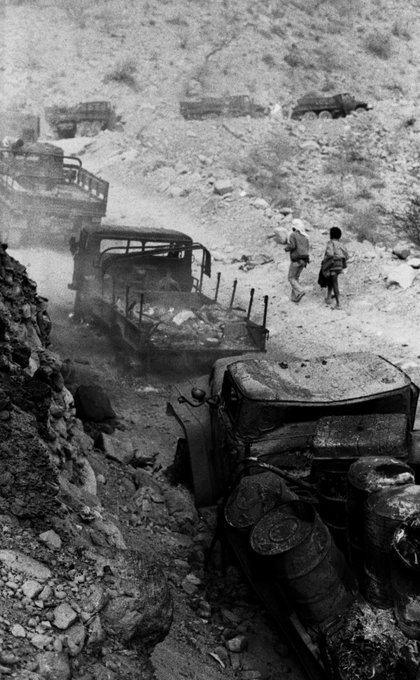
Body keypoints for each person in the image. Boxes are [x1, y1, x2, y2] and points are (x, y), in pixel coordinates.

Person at [320, 227, 349, 309]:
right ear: (339, 236)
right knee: (332, 280)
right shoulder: (341, 244)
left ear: (330, 235)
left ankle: (338, 304)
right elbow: (347, 255)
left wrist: (325, 260)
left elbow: (330, 254)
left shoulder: (330, 243)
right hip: (340, 265)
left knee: (334, 283)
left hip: (332, 265)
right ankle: (328, 297)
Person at [284, 219, 310, 303]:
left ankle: (300, 290)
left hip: (296, 260)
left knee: (291, 278)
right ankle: (295, 297)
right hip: (304, 260)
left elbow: (292, 246)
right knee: (296, 278)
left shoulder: (293, 235)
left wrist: (286, 248)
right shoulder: (305, 237)